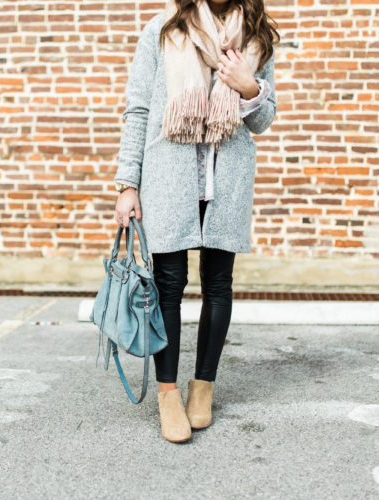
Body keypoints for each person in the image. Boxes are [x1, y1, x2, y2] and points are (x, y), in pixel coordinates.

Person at [114, 0, 280, 443]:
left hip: (225, 180)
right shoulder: (162, 29)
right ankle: (168, 394)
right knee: (167, 284)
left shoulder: (257, 38)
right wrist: (127, 183)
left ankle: (202, 386)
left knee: (218, 283)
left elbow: (263, 120)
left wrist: (249, 88)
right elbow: (138, 110)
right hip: (169, 176)